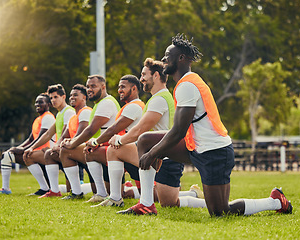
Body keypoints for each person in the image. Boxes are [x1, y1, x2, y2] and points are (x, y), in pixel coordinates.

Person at [131, 33, 292, 216]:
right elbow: (179, 132)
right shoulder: (185, 83)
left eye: (167, 56)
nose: (163, 59)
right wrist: (155, 150)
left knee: (220, 212)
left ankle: (275, 201)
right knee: (145, 140)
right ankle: (146, 204)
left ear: (181, 58)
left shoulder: (187, 85)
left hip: (214, 152)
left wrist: (154, 153)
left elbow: (178, 131)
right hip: (195, 146)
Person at [107, 58, 205, 212]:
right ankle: (116, 198)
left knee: (169, 202)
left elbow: (140, 130)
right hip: (157, 154)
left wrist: (119, 140)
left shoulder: (159, 99)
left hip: (166, 157)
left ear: (156, 76)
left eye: (144, 74)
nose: (141, 79)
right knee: (113, 150)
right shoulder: (160, 98)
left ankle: (202, 199)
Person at [84, 75, 145, 206]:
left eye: (123, 87)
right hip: (131, 153)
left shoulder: (134, 106)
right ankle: (115, 196)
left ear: (134, 88)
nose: (119, 90)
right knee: (151, 194)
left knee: (162, 198)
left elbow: (113, 130)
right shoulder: (130, 106)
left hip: (138, 155)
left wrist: (95, 142)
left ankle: (112, 196)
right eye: (119, 87)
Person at [60, 75, 120, 202]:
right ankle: (89, 192)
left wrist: (73, 143)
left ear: (103, 87)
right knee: (68, 149)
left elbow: (90, 130)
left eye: (93, 86)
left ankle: (93, 193)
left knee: (68, 150)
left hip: (110, 150)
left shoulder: (107, 103)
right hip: (100, 148)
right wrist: (70, 141)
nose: (89, 89)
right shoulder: (100, 104)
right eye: (88, 86)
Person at [0, 93, 55, 195]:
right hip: (35, 151)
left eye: (41, 102)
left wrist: (24, 150)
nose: (37, 104)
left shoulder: (48, 117)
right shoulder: (38, 119)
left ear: (49, 104)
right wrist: (18, 148)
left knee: (21, 155)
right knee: (7, 155)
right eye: (36, 102)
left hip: (45, 153)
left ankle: (45, 188)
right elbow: (30, 139)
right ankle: (5, 189)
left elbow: (41, 138)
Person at [24, 84, 75, 197]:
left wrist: (56, 145)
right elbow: (48, 134)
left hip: (70, 151)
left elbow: (67, 133)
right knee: (29, 155)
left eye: (56, 97)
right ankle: (49, 189)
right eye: (51, 98)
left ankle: (54, 190)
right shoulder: (59, 114)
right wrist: (31, 147)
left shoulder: (69, 112)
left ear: (63, 97)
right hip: (60, 151)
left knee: (74, 190)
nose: (53, 100)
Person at [45, 84, 93, 200]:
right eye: (71, 95)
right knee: (49, 154)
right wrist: (57, 145)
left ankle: (77, 192)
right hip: (77, 150)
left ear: (84, 98)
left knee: (103, 190)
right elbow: (64, 135)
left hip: (90, 150)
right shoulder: (73, 117)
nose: (72, 97)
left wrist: (67, 144)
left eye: (76, 95)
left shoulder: (85, 112)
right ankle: (56, 190)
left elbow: (81, 135)